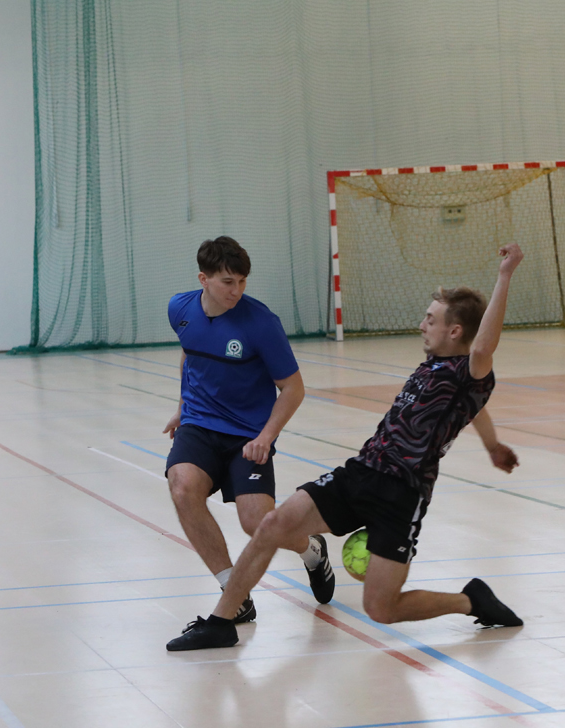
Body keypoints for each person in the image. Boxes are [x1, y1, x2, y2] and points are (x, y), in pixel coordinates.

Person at [167, 244, 528, 652]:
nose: (422, 324)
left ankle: (471, 601)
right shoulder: (436, 368)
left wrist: (504, 275)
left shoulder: (470, 371)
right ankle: (221, 621)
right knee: (271, 525)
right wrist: (492, 445)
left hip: (402, 493)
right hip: (360, 472)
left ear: (455, 331)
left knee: (382, 608)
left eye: (431, 319)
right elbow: (475, 410)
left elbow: (482, 349)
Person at [163, 236, 334, 629]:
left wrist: (265, 437)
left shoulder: (261, 323)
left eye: (242, 281)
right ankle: (233, 594)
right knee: (182, 487)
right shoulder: (180, 308)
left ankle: (312, 550)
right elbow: (190, 352)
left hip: (248, 435)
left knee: (257, 523)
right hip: (200, 424)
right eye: (228, 282)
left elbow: (293, 388)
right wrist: (183, 406)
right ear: (203, 279)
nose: (236, 290)